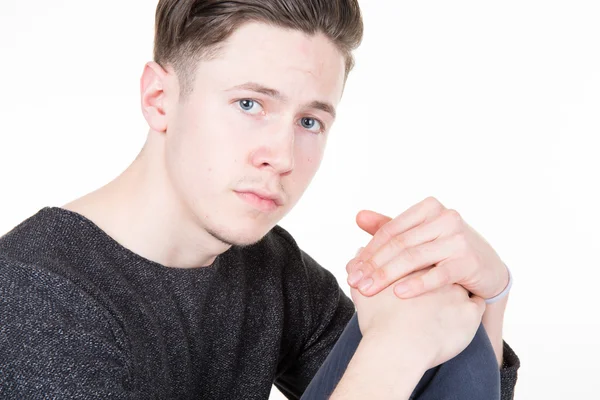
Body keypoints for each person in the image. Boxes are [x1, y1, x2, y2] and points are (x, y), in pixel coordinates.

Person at [0, 0, 520, 399]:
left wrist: (487, 295)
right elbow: (388, 371)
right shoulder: (33, 295)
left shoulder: (270, 268)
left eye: (310, 121)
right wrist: (391, 353)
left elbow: (438, 384)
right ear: (160, 100)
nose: (283, 156)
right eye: (249, 104)